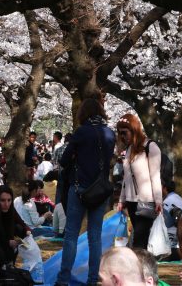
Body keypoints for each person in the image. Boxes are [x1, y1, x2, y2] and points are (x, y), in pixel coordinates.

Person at [56, 96, 116, 286]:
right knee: (95, 237)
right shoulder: (110, 134)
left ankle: (63, 279)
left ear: (84, 113)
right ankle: (93, 280)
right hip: (99, 190)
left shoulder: (81, 132)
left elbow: (64, 160)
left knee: (71, 235)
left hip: (80, 189)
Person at [116, 113, 163, 250]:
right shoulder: (129, 149)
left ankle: (140, 269)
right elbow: (126, 177)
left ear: (134, 129)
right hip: (131, 201)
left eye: (124, 133)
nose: (122, 136)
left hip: (146, 201)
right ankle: (140, 268)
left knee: (140, 241)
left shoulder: (151, 147)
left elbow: (155, 176)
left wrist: (158, 200)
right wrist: (121, 199)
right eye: (120, 133)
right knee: (138, 239)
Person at [0, 185, 31, 260]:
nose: (6, 204)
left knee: (19, 228)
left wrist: (27, 230)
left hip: (10, 245)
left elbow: (21, 222)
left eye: (9, 200)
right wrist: (7, 242)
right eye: (2, 200)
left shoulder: (11, 210)